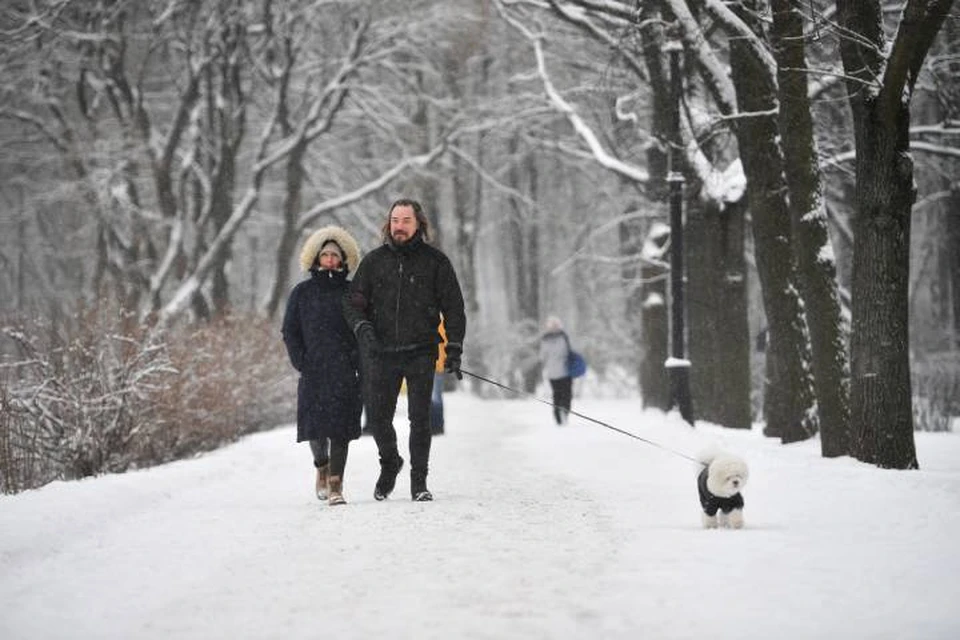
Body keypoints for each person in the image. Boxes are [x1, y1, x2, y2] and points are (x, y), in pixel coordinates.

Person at [343, 198, 466, 502]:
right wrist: (362, 328)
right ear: (389, 224)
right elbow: (353, 303)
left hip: (422, 351)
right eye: (395, 220)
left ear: (418, 224)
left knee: (419, 418)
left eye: (406, 221)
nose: (399, 226)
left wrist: (454, 346)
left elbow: (454, 307)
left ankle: (419, 482)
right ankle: (390, 463)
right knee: (378, 418)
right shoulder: (373, 262)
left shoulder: (436, 262)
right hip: (381, 352)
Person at [282, 226, 363, 506]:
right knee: (315, 429)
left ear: (343, 259)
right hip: (313, 370)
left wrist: (357, 360)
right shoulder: (302, 293)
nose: (330, 259)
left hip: (345, 370)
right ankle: (321, 467)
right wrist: (300, 360)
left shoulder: (354, 293)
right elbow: (289, 330)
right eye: (325, 254)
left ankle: (337, 485)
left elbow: (365, 329)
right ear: (316, 258)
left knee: (341, 429)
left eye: (335, 255)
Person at [539, 316, 573, 425]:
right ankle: (563, 414)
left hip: (554, 372)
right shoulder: (563, 337)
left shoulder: (545, 339)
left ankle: (559, 416)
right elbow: (569, 352)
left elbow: (542, 357)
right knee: (565, 395)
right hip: (565, 371)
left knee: (557, 395)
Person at [430, 318, 448, 435]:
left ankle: (437, 426)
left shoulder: (439, 322)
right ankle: (434, 425)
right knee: (432, 398)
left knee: (435, 398)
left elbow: (445, 342)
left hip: (436, 367)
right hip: (428, 366)